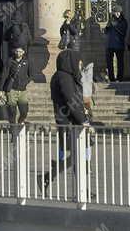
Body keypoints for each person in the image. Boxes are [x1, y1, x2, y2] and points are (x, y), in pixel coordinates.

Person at [40, 50, 89, 193]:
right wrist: (83, 120)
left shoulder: (66, 76)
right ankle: (81, 189)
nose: (80, 65)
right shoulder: (63, 77)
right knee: (76, 158)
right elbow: (71, 100)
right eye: (78, 62)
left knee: (76, 158)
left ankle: (49, 178)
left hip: (70, 122)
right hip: (70, 123)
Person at [0, 47, 31, 124]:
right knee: (12, 112)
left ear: (23, 52)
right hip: (11, 89)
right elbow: (4, 75)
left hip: (22, 90)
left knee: (24, 112)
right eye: (16, 51)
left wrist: (25, 82)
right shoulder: (10, 61)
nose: (18, 53)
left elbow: (31, 74)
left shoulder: (27, 61)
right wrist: (1, 90)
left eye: (20, 51)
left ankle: (19, 123)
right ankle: (13, 129)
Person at [104, 6, 128, 82]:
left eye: (119, 12)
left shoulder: (123, 21)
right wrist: (107, 26)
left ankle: (120, 78)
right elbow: (106, 31)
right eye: (116, 12)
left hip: (119, 44)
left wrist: (115, 25)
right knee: (109, 62)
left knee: (120, 62)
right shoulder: (111, 20)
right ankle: (111, 78)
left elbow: (123, 32)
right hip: (110, 44)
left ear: (121, 13)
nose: (117, 14)